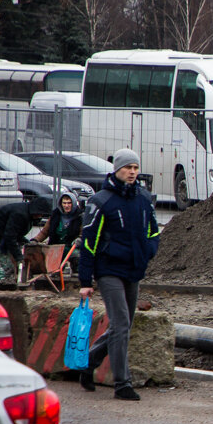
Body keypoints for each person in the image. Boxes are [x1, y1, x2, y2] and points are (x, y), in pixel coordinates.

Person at [77, 149, 160, 401]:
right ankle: (122, 384)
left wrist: (148, 252)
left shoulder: (144, 199)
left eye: (135, 167)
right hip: (108, 271)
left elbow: (153, 232)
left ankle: (88, 362)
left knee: (123, 325)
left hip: (133, 270)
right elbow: (89, 242)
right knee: (121, 323)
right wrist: (85, 281)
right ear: (116, 170)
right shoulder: (101, 201)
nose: (132, 172)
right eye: (127, 168)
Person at [0, 197, 51, 281]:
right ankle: (5, 284)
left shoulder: (28, 214)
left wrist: (26, 242)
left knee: (9, 265)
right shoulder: (20, 214)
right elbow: (10, 236)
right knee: (4, 267)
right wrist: (18, 257)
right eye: (39, 213)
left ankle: (10, 282)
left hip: (2, 235)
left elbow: (16, 234)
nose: (40, 216)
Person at [31, 193, 83, 272]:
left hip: (70, 247)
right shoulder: (55, 215)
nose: (66, 206)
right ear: (61, 204)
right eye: (64, 203)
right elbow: (45, 232)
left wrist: (79, 239)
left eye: (69, 203)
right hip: (55, 247)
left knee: (76, 255)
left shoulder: (79, 216)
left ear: (74, 203)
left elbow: (82, 233)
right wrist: (35, 240)